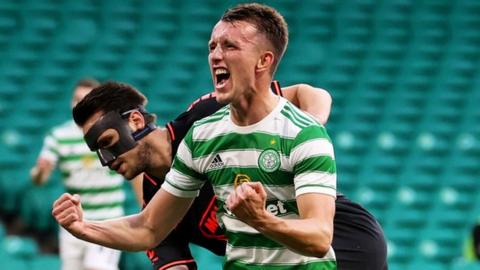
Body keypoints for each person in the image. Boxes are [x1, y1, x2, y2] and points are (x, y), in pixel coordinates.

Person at [53, 3, 386, 269]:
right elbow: (148, 229)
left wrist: (306, 132)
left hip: (343, 246)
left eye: (229, 45)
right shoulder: (201, 140)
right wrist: (84, 228)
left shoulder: (208, 113)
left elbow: (310, 94)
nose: (106, 162)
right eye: (212, 46)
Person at [31, 78, 131, 270]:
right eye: (77, 99)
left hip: (107, 219)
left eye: (87, 99)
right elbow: (39, 180)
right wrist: (40, 171)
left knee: (97, 267)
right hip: (73, 220)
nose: (80, 104)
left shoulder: (112, 133)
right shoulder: (59, 137)